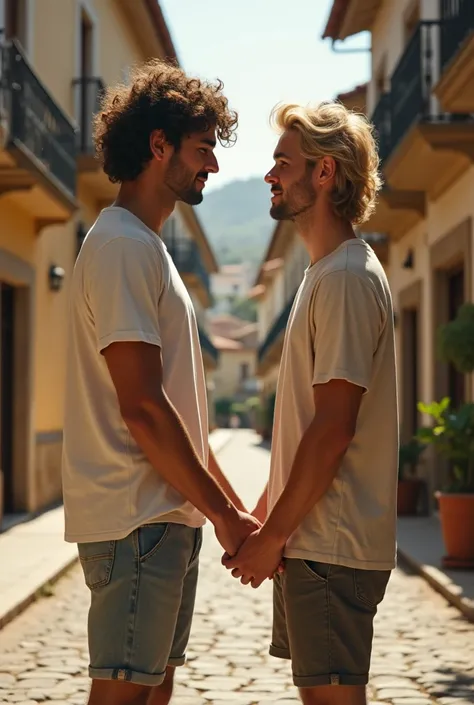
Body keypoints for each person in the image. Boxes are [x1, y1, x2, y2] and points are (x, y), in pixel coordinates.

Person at [62, 59, 260, 705]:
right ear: (158, 145)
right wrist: (227, 517)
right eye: (203, 148)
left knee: (152, 694)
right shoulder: (123, 245)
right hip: (136, 519)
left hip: (163, 518)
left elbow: (181, 415)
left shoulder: (144, 246)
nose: (213, 165)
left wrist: (232, 512)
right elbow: (143, 407)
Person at [224, 101, 398, 705]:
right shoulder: (326, 275)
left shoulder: (347, 278)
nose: (271, 175)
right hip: (317, 542)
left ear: (324, 173)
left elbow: (333, 428)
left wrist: (273, 535)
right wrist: (264, 514)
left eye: (282, 163)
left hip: (332, 545)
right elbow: (306, 427)